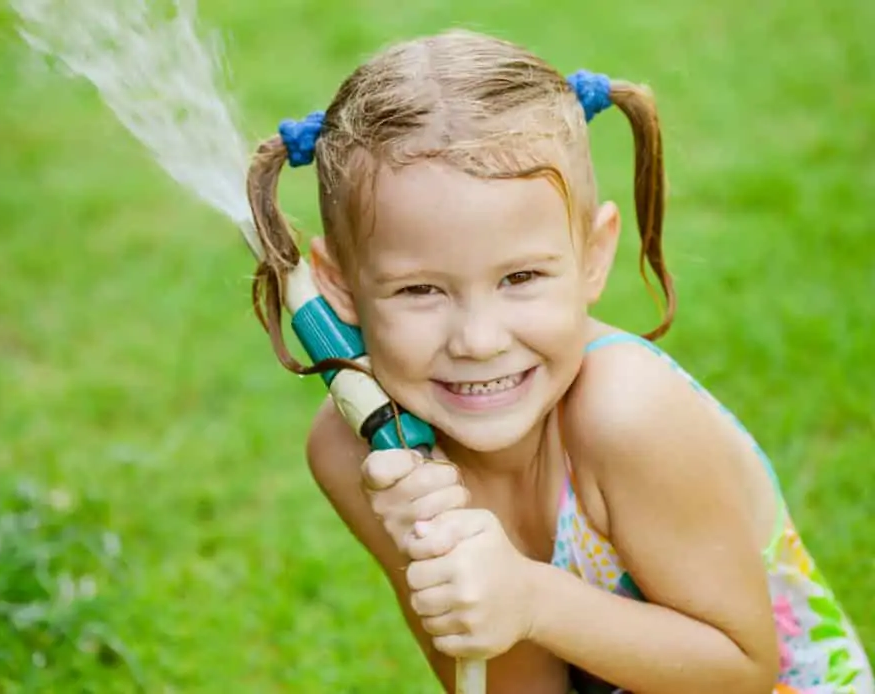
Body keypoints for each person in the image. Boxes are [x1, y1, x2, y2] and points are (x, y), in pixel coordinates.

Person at [244, 28, 873, 694]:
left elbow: (742, 671)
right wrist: (438, 550)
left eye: (519, 278)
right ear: (339, 287)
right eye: (420, 290)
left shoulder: (627, 414)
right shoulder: (359, 452)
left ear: (593, 256)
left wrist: (531, 600)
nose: (479, 340)